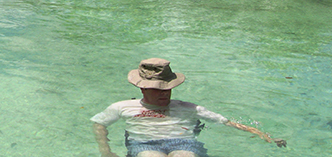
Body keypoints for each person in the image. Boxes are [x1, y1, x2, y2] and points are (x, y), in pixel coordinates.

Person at [91, 58, 286, 157]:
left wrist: (266, 136)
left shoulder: (190, 108)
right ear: (142, 88)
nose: (164, 93)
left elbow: (228, 123)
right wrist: (105, 151)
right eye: (157, 89)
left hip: (183, 143)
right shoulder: (123, 106)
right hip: (144, 144)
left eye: (166, 89)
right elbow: (99, 123)